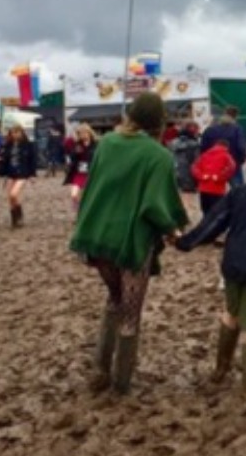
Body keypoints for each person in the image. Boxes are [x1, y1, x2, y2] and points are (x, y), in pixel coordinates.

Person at [70, 92, 189, 395]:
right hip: (132, 241)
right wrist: (174, 231)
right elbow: (155, 206)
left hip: (97, 236)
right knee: (130, 313)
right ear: (159, 121)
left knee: (114, 299)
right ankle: (122, 382)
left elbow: (93, 186)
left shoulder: (107, 143)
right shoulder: (158, 155)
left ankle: (100, 370)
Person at [176, 139, 246, 411]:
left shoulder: (237, 194)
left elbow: (212, 224)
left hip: (233, 264)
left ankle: (221, 369)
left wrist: (185, 242)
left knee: (231, 314)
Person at [0, 124, 38, 227]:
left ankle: (20, 215)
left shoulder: (28, 145)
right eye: (13, 132)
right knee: (10, 198)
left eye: (17, 132)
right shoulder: (7, 145)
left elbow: (32, 160)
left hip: (23, 173)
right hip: (10, 173)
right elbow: (3, 158)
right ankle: (14, 220)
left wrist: (32, 174)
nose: (15, 134)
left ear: (22, 133)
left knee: (13, 194)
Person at [201, 106, 246, 188]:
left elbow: (203, 148)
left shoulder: (210, 130)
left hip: (214, 164)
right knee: (238, 189)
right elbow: (241, 147)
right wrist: (241, 160)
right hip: (233, 163)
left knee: (214, 190)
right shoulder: (237, 130)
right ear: (236, 117)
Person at [63, 124, 99, 216]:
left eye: (85, 133)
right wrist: (75, 153)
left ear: (89, 133)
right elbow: (72, 157)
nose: (83, 135)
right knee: (74, 194)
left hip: (91, 173)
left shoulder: (96, 144)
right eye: (81, 133)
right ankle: (78, 209)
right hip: (79, 173)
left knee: (87, 195)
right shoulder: (77, 145)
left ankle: (85, 212)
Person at [171, 122, 202, 201]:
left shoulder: (174, 143)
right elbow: (197, 160)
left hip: (175, 174)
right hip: (190, 179)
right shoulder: (194, 145)